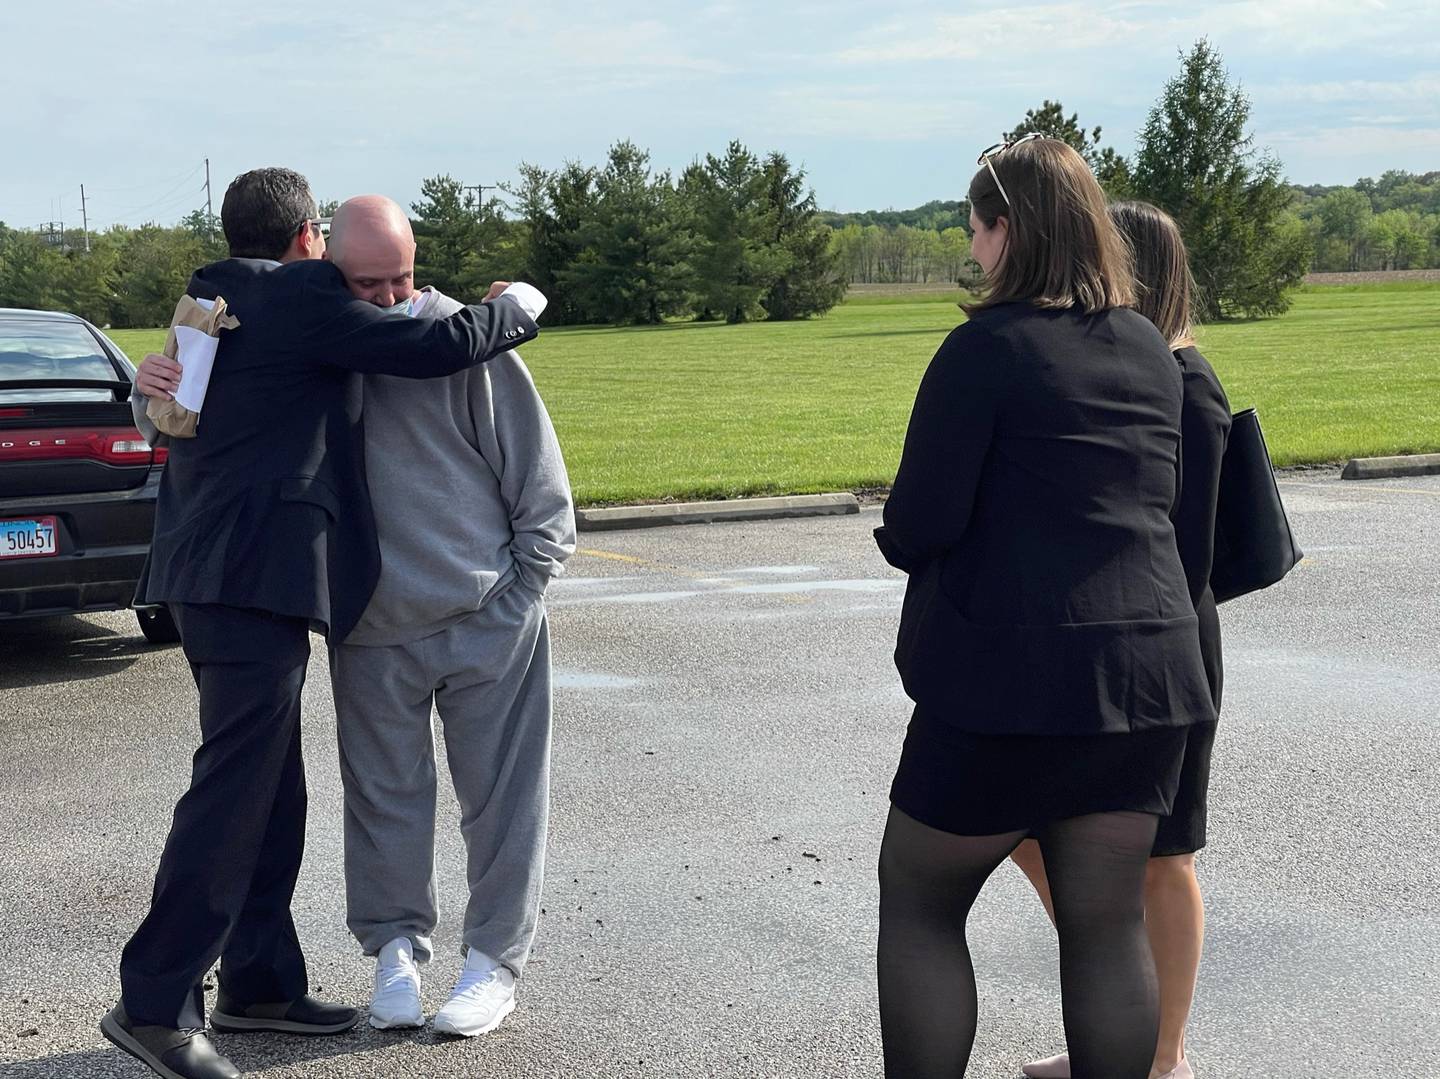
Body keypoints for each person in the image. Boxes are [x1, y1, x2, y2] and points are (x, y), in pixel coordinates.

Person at [102, 168, 542, 1079]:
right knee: (232, 792)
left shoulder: (211, 296)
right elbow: (438, 346)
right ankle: (153, 1000)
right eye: (354, 271)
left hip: (209, 575)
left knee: (272, 787)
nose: (372, 295)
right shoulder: (298, 292)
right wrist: (525, 302)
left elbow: (170, 414)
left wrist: (151, 390)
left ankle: (260, 980)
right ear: (310, 239)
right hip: (248, 576)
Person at [872, 137, 1216, 1079]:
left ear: (1008, 229)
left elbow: (920, 522)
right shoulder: (1150, 346)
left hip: (1009, 683)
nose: (973, 249)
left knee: (921, 901)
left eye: (975, 229)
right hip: (1146, 678)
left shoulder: (984, 349)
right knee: (1105, 927)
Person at [317, 196, 574, 1037]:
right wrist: (154, 386)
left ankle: (494, 962)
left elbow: (543, 492)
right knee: (382, 802)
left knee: (504, 804)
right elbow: (193, 410)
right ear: (328, 271)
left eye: (404, 279)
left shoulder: (473, 339)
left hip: (485, 617)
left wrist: (517, 599)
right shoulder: (319, 343)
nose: (392, 299)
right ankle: (394, 950)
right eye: (369, 284)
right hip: (371, 627)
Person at [1015, 201, 1232, 1079]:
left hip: (1165, 639)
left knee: (1163, 853)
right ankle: (1118, 1025)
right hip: (1104, 638)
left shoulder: (1184, 383)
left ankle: (1163, 1054)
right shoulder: (1119, 373)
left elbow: (1188, 544)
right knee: (1039, 835)